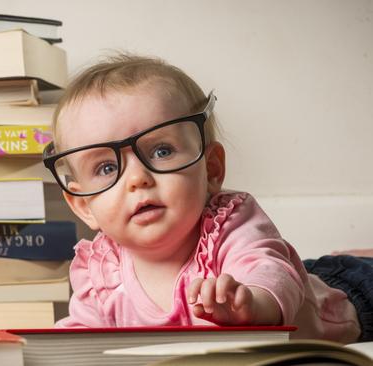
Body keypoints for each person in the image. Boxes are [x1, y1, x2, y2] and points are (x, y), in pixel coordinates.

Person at [42, 53, 371, 343]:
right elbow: (82, 332)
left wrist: (251, 304)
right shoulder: (101, 270)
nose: (138, 178)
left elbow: (271, 272)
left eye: (161, 150)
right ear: (85, 205)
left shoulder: (230, 222)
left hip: (349, 295)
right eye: (106, 167)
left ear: (212, 169)